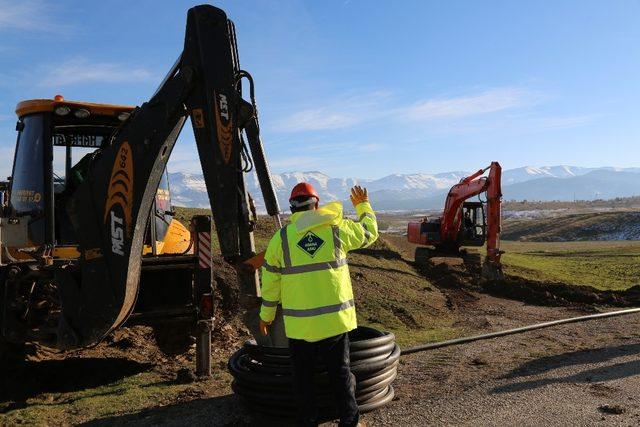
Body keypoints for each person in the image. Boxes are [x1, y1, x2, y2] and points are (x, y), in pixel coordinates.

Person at [259, 182, 378, 427]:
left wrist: (266, 316)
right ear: (317, 203)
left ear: (292, 208)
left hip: (300, 327)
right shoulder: (336, 229)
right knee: (340, 373)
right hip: (334, 323)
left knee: (303, 377)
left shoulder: (280, 240)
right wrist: (363, 206)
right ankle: (348, 420)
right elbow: (369, 232)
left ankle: (308, 421)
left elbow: (270, 283)